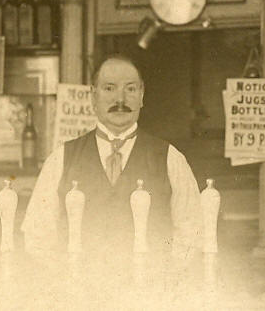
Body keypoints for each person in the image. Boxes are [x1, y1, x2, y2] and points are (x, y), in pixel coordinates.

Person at [21, 54, 202, 263]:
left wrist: (161, 282)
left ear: (142, 95)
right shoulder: (61, 159)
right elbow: (37, 237)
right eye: (109, 88)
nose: (120, 100)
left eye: (131, 89)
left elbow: (192, 234)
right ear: (93, 95)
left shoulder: (171, 158)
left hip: (149, 291)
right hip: (79, 291)